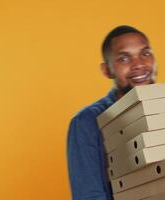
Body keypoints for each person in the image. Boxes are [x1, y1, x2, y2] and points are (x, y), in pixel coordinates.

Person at [67, 25, 157, 200]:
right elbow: (89, 195)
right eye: (124, 59)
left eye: (145, 54)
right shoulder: (87, 122)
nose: (139, 65)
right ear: (106, 70)